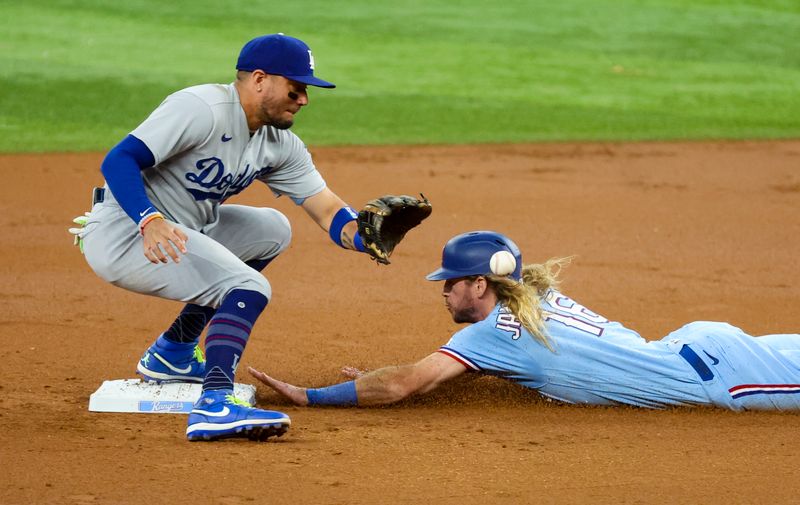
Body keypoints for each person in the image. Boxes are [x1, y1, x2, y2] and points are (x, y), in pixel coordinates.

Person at [75, 34, 410, 442]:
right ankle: (214, 405)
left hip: (183, 230)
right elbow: (119, 159)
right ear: (258, 79)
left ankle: (173, 353)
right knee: (249, 285)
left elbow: (326, 209)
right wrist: (149, 220)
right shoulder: (201, 109)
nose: (303, 98)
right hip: (125, 232)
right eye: (296, 87)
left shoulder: (278, 143)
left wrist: (366, 237)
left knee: (273, 228)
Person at [249, 230, 800, 412]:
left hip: (720, 376)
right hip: (699, 345)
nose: (443, 290)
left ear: (480, 286)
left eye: (451, 281)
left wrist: (315, 396)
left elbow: (402, 384)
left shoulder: (490, 335)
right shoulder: (537, 296)